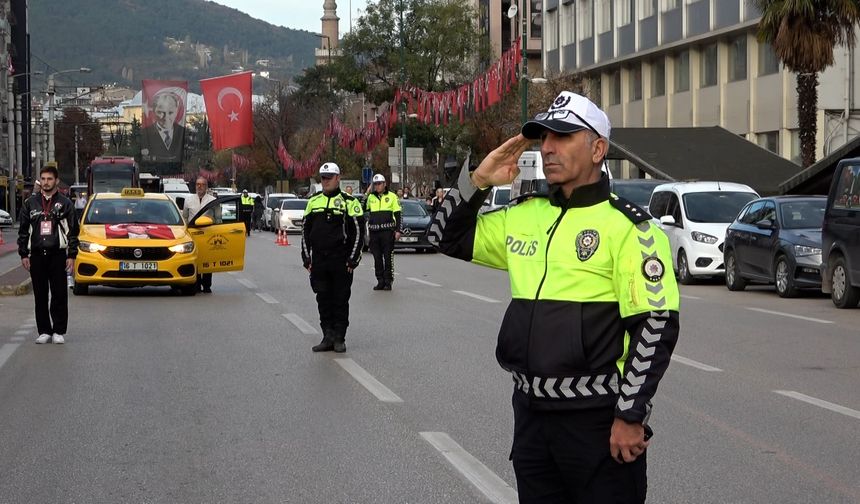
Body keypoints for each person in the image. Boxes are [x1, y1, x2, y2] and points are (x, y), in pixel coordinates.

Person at [430, 91, 680, 503]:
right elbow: (444, 236)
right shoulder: (524, 214)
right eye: (543, 138)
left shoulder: (631, 228)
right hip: (531, 418)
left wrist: (630, 415)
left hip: (597, 422)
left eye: (563, 137)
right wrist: (477, 180)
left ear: (598, 148)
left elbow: (655, 324)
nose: (547, 147)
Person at [301, 162, 365, 353]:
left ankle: (339, 337)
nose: (326, 181)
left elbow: (359, 233)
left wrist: (353, 259)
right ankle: (327, 336)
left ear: (338, 178)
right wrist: (306, 258)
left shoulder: (349, 202)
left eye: (329, 178)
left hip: (341, 260)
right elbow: (305, 231)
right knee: (323, 298)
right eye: (323, 178)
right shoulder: (313, 201)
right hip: (319, 260)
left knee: (340, 299)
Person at [18, 164, 79, 345]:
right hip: (37, 255)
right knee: (40, 294)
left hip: (58, 254)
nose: (46, 182)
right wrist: (24, 254)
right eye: (43, 179)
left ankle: (59, 330)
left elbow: (73, 231)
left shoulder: (66, 203)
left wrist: (71, 255)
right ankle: (44, 330)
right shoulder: (30, 203)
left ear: (56, 181)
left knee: (59, 294)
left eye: (49, 179)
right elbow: (23, 231)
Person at [364, 174, 402, 291]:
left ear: (384, 184)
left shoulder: (392, 196)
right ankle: (380, 280)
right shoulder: (371, 197)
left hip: (387, 231)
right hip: (374, 232)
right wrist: (366, 194)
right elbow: (363, 208)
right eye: (375, 184)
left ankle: (388, 281)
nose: (377, 186)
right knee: (377, 258)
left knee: (388, 257)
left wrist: (397, 230)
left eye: (379, 184)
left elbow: (398, 214)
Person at [183, 177, 217, 293]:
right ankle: (196, 284)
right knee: (195, 258)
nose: (199, 187)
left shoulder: (212, 200)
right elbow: (185, 218)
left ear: (206, 187)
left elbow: (218, 219)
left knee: (207, 260)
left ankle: (207, 285)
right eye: (198, 184)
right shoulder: (189, 200)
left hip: (208, 233)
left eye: (202, 185)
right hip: (193, 234)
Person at [141, 93, 187, 162]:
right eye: (161, 112)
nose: (166, 117)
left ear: (177, 112)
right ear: (153, 111)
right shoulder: (146, 133)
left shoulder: (182, 132)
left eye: (170, 112)